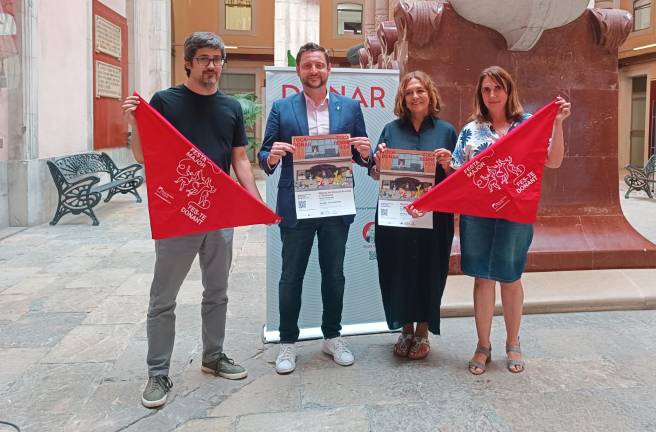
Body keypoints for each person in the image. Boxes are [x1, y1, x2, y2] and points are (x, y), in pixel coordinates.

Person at [122, 32, 262, 408]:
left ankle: (213, 356)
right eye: (204, 58)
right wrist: (136, 122)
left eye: (217, 59)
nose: (212, 65)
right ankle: (157, 373)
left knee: (217, 292)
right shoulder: (165, 102)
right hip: (178, 216)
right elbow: (143, 156)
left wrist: (255, 202)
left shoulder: (231, 107)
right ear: (188, 62)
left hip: (219, 215)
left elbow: (240, 159)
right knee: (163, 298)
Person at [448, 66, 571, 375]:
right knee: (482, 278)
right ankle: (483, 345)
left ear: (508, 90)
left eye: (497, 88)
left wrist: (556, 124)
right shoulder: (470, 130)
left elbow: (553, 161)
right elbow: (457, 173)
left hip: (515, 213)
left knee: (511, 277)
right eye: (487, 89)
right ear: (481, 93)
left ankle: (513, 342)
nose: (492, 94)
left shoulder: (529, 125)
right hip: (477, 216)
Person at [259, 42, 372, 375]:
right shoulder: (282, 108)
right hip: (297, 205)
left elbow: (362, 157)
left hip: (335, 205)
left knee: (334, 274)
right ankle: (288, 343)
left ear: (328, 69)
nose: (313, 71)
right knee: (290, 276)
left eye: (319, 65)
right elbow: (263, 157)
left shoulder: (350, 108)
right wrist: (273, 155)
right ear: (298, 71)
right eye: (307, 66)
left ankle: (332, 336)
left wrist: (365, 152)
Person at [369, 71, 456, 360]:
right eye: (409, 92)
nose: (415, 96)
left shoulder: (446, 131)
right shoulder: (391, 130)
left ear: (430, 94)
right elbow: (374, 173)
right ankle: (405, 330)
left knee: (431, 270)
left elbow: (459, 179)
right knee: (398, 270)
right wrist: (379, 163)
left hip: (435, 218)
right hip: (396, 217)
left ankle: (423, 332)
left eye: (420, 90)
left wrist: (447, 164)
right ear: (402, 99)